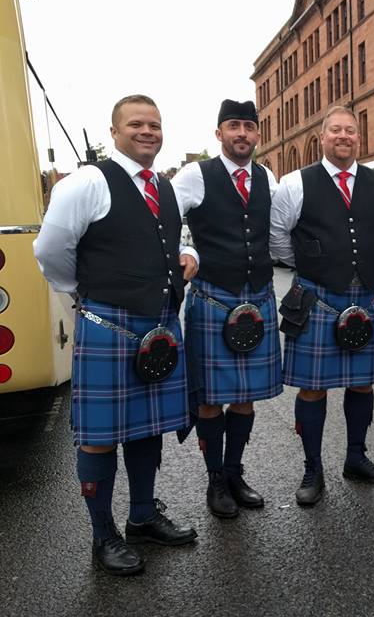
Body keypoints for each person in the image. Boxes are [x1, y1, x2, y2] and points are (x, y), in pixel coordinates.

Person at [34, 95, 198, 576]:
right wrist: (85, 293)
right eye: (136, 124)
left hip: (159, 326)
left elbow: (172, 241)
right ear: (114, 131)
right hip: (109, 325)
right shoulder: (88, 182)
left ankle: (143, 516)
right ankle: (103, 534)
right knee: (100, 438)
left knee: (148, 428)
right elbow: (51, 250)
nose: (147, 131)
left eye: (155, 124)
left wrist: (191, 257)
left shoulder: (163, 187)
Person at [270, 105, 374, 505]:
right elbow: (277, 237)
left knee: (361, 383)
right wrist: (312, 263)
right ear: (322, 136)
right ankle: (313, 468)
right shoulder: (295, 183)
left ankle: (356, 457)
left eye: (350, 131)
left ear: (358, 138)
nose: (344, 137)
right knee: (313, 388)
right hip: (317, 299)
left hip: (366, 298)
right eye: (336, 131)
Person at [171, 100, 282, 518]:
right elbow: (165, 219)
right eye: (233, 126)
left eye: (249, 127)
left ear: (257, 134)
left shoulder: (268, 177)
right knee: (210, 400)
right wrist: (185, 248)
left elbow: (278, 231)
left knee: (246, 395)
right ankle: (215, 478)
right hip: (213, 299)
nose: (242, 134)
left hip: (256, 299)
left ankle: (235, 472)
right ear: (219, 133)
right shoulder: (195, 175)